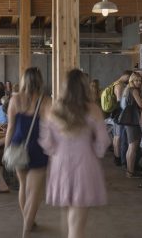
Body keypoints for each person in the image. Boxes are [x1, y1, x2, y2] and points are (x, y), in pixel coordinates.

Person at [39, 69, 110, 238]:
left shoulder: (53, 108)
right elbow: (103, 142)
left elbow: (46, 143)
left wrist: (57, 152)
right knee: (78, 218)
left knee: (69, 214)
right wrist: (96, 153)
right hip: (84, 163)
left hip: (60, 164)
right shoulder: (93, 109)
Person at [5, 67, 51, 237]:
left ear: (24, 80)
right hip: (38, 147)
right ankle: (26, 229)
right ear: (40, 81)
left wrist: (6, 149)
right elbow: (50, 128)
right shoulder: (46, 101)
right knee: (35, 192)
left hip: (18, 146)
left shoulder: (15, 99)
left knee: (23, 186)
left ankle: (28, 220)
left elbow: (10, 127)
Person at [121, 72, 142, 178]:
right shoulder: (134, 90)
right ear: (132, 81)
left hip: (128, 119)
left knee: (131, 146)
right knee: (132, 147)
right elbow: (141, 104)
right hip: (133, 119)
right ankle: (130, 172)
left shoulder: (127, 89)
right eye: (136, 80)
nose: (139, 82)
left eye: (140, 80)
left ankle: (129, 170)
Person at [110, 70, 133, 166]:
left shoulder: (115, 83)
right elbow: (120, 101)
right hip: (119, 113)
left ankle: (117, 157)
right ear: (125, 76)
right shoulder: (119, 85)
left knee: (116, 136)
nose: (129, 80)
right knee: (118, 136)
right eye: (129, 78)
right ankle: (117, 157)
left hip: (116, 112)